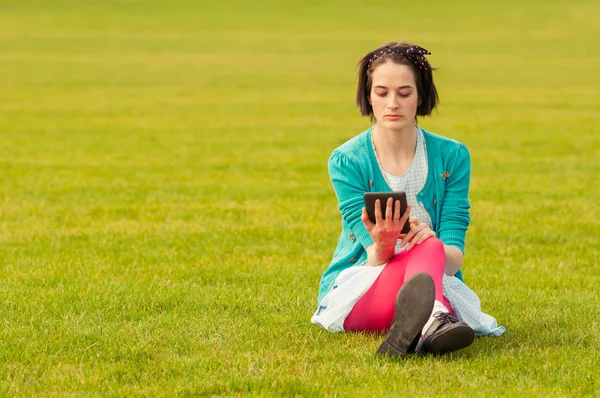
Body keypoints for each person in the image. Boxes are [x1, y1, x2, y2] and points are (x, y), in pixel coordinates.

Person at [311, 42, 504, 357]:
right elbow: (372, 255)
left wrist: (432, 243)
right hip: (366, 287)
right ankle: (433, 322)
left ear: (421, 96)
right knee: (428, 245)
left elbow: (454, 260)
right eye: (382, 92)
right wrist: (385, 245)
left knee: (430, 244)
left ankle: (416, 328)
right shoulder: (347, 161)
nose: (392, 104)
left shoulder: (452, 156)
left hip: (433, 281)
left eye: (404, 93)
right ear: (368, 96)